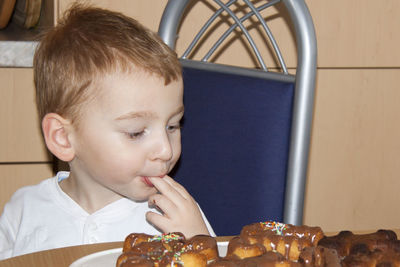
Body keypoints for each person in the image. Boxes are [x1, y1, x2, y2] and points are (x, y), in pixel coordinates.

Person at [0, 3, 214, 260]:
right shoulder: (23, 212)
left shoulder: (178, 220)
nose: (165, 150)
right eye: (136, 132)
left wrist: (200, 246)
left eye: (172, 125)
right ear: (63, 138)